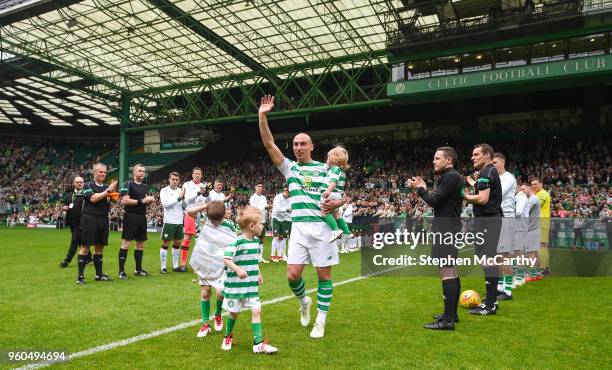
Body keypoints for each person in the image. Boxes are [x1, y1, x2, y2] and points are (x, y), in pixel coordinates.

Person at [258, 95, 345, 339]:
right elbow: (269, 145)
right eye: (295, 144)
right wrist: (262, 116)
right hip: (298, 229)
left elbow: (342, 197)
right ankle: (304, 301)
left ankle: (321, 320)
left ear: (311, 146)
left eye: (302, 144)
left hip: (322, 229)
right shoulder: (290, 168)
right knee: (292, 275)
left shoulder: (325, 169)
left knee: (324, 276)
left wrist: (336, 202)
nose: (298, 147)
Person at [408, 146, 463, 330]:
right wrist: (424, 188)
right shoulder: (450, 177)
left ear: (449, 160)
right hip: (450, 227)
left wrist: (420, 190)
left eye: (437, 158)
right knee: (451, 269)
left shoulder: (450, 176)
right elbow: (440, 200)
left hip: (446, 228)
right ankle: (451, 314)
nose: (434, 161)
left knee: (446, 270)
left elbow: (434, 201)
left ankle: (447, 321)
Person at [221, 206, 278, 354]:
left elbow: (254, 260)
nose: (263, 226)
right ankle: (228, 336)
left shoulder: (256, 242)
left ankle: (258, 344)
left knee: (257, 310)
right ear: (252, 226)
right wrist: (238, 269)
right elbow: (226, 258)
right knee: (233, 313)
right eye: (261, 224)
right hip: (236, 288)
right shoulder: (237, 242)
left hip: (251, 287)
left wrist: (258, 272)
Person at [187, 201, 237, 337]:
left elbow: (234, 242)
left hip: (221, 264)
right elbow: (190, 212)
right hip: (205, 261)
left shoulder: (229, 225)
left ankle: (218, 314)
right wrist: (205, 206)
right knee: (205, 292)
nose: (215, 222)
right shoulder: (203, 219)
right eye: (213, 219)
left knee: (220, 293)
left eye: (218, 219)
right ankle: (205, 324)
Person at [464, 144, 503, 315]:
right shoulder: (487, 173)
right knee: (484, 258)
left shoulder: (487, 172)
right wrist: (474, 183)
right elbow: (484, 192)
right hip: (486, 220)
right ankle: (491, 300)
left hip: (488, 220)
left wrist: (463, 195)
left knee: (488, 259)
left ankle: (490, 305)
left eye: (476, 154)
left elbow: (482, 199)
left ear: (487, 155)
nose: (472, 157)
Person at [77, 163, 118, 284]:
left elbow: (114, 200)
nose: (103, 174)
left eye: (105, 172)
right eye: (100, 172)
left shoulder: (106, 186)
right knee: (85, 247)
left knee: (100, 247)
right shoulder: (87, 185)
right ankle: (80, 277)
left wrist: (114, 194)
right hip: (90, 218)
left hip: (103, 219)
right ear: (94, 173)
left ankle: (99, 275)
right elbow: (93, 199)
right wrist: (108, 190)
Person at [118, 164, 155, 279]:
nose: (142, 173)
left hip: (142, 217)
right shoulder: (127, 184)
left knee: (140, 243)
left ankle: (138, 269)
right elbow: (124, 201)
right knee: (127, 242)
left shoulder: (145, 186)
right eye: (139, 171)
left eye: (143, 171)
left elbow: (144, 202)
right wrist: (142, 201)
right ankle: (121, 271)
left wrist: (150, 201)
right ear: (134, 172)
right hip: (131, 216)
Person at [493, 152, 517, 301]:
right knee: (498, 255)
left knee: (505, 255)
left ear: (502, 163)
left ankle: (508, 290)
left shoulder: (508, 177)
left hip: (506, 218)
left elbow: (497, 194)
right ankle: (500, 287)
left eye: (494, 162)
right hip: (497, 218)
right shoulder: (497, 178)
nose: (492, 165)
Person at [180, 167, 210, 272]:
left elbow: (208, 201)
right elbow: (187, 201)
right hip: (190, 213)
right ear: (192, 174)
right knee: (187, 238)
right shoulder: (186, 185)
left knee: (201, 240)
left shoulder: (203, 186)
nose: (197, 175)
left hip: (201, 215)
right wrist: (199, 192)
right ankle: (183, 264)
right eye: (196, 173)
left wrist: (207, 193)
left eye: (199, 174)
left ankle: (197, 265)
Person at [321, 146, 353, 243]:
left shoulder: (335, 169)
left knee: (324, 212)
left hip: (331, 194)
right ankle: (347, 233)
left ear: (334, 159)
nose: (326, 160)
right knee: (336, 215)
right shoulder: (342, 171)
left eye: (328, 157)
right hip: (337, 195)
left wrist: (328, 191)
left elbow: (333, 181)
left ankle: (335, 230)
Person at [159, 172, 185, 274]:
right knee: (166, 242)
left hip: (179, 221)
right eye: (173, 179)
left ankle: (175, 266)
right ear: (169, 180)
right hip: (169, 221)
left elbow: (185, 205)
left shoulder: (181, 191)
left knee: (177, 242)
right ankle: (163, 267)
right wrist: (179, 198)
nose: (174, 181)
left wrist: (183, 198)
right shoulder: (164, 190)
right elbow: (165, 204)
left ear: (179, 181)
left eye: (176, 180)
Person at [60, 176, 89, 268]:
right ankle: (90, 258)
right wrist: (64, 208)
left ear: (83, 183)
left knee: (75, 240)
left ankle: (67, 260)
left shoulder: (86, 195)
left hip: (82, 222)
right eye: (77, 182)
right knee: (80, 241)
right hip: (72, 222)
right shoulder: (69, 196)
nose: (79, 184)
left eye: (81, 182)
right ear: (74, 183)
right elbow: (66, 205)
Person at [530, 178, 551, 276]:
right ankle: (545, 269)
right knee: (543, 246)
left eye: (535, 184)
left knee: (541, 245)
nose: (533, 186)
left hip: (541, 221)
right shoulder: (538, 194)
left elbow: (536, 206)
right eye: (532, 184)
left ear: (541, 184)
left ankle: (542, 269)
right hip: (540, 221)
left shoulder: (542, 193)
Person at [522, 183, 542, 282]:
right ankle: (537, 273)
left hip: (531, 230)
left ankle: (532, 275)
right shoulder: (532, 198)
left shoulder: (532, 199)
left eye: (524, 189)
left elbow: (522, 211)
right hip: (534, 229)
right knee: (534, 252)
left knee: (530, 253)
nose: (522, 192)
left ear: (529, 189)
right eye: (521, 190)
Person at [249, 182, 270, 263]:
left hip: (263, 220)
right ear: (255, 187)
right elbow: (255, 208)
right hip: (255, 220)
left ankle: (260, 257)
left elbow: (264, 208)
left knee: (262, 239)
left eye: (261, 186)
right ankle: (254, 257)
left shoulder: (264, 197)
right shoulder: (252, 198)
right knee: (255, 238)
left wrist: (267, 208)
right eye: (259, 186)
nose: (260, 188)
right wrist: (265, 207)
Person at [271, 187, 291, 262]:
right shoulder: (278, 197)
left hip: (283, 219)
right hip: (276, 218)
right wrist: (287, 210)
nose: (289, 195)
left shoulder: (289, 198)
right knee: (276, 237)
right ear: (285, 191)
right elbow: (277, 209)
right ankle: (272, 255)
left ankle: (279, 255)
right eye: (288, 193)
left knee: (281, 238)